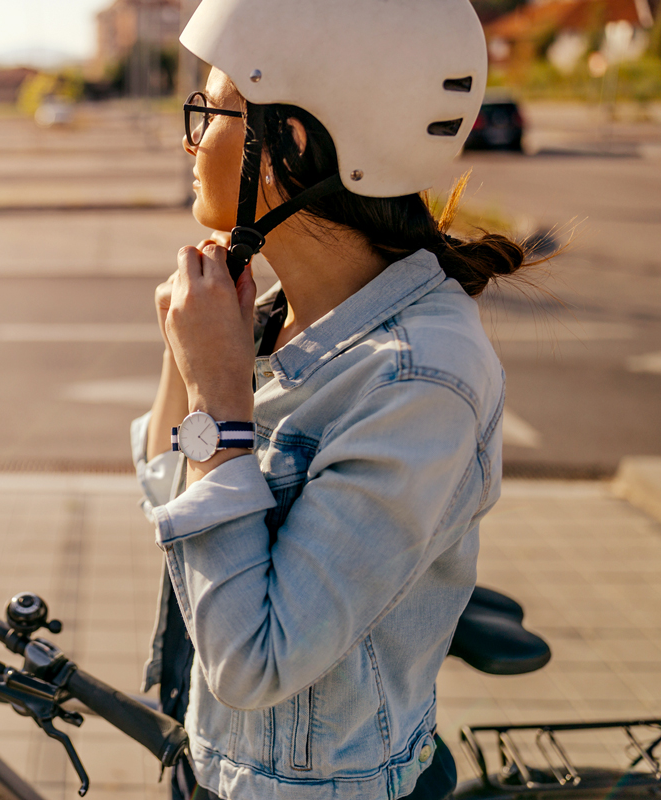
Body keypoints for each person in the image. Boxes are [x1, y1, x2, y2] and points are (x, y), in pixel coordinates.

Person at [129, 1, 538, 799]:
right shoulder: (280, 313)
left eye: (212, 110)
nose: (190, 138)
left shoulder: (419, 378)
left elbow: (254, 662)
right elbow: (162, 488)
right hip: (211, 764)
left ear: (295, 144)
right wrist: (192, 352)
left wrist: (218, 393)